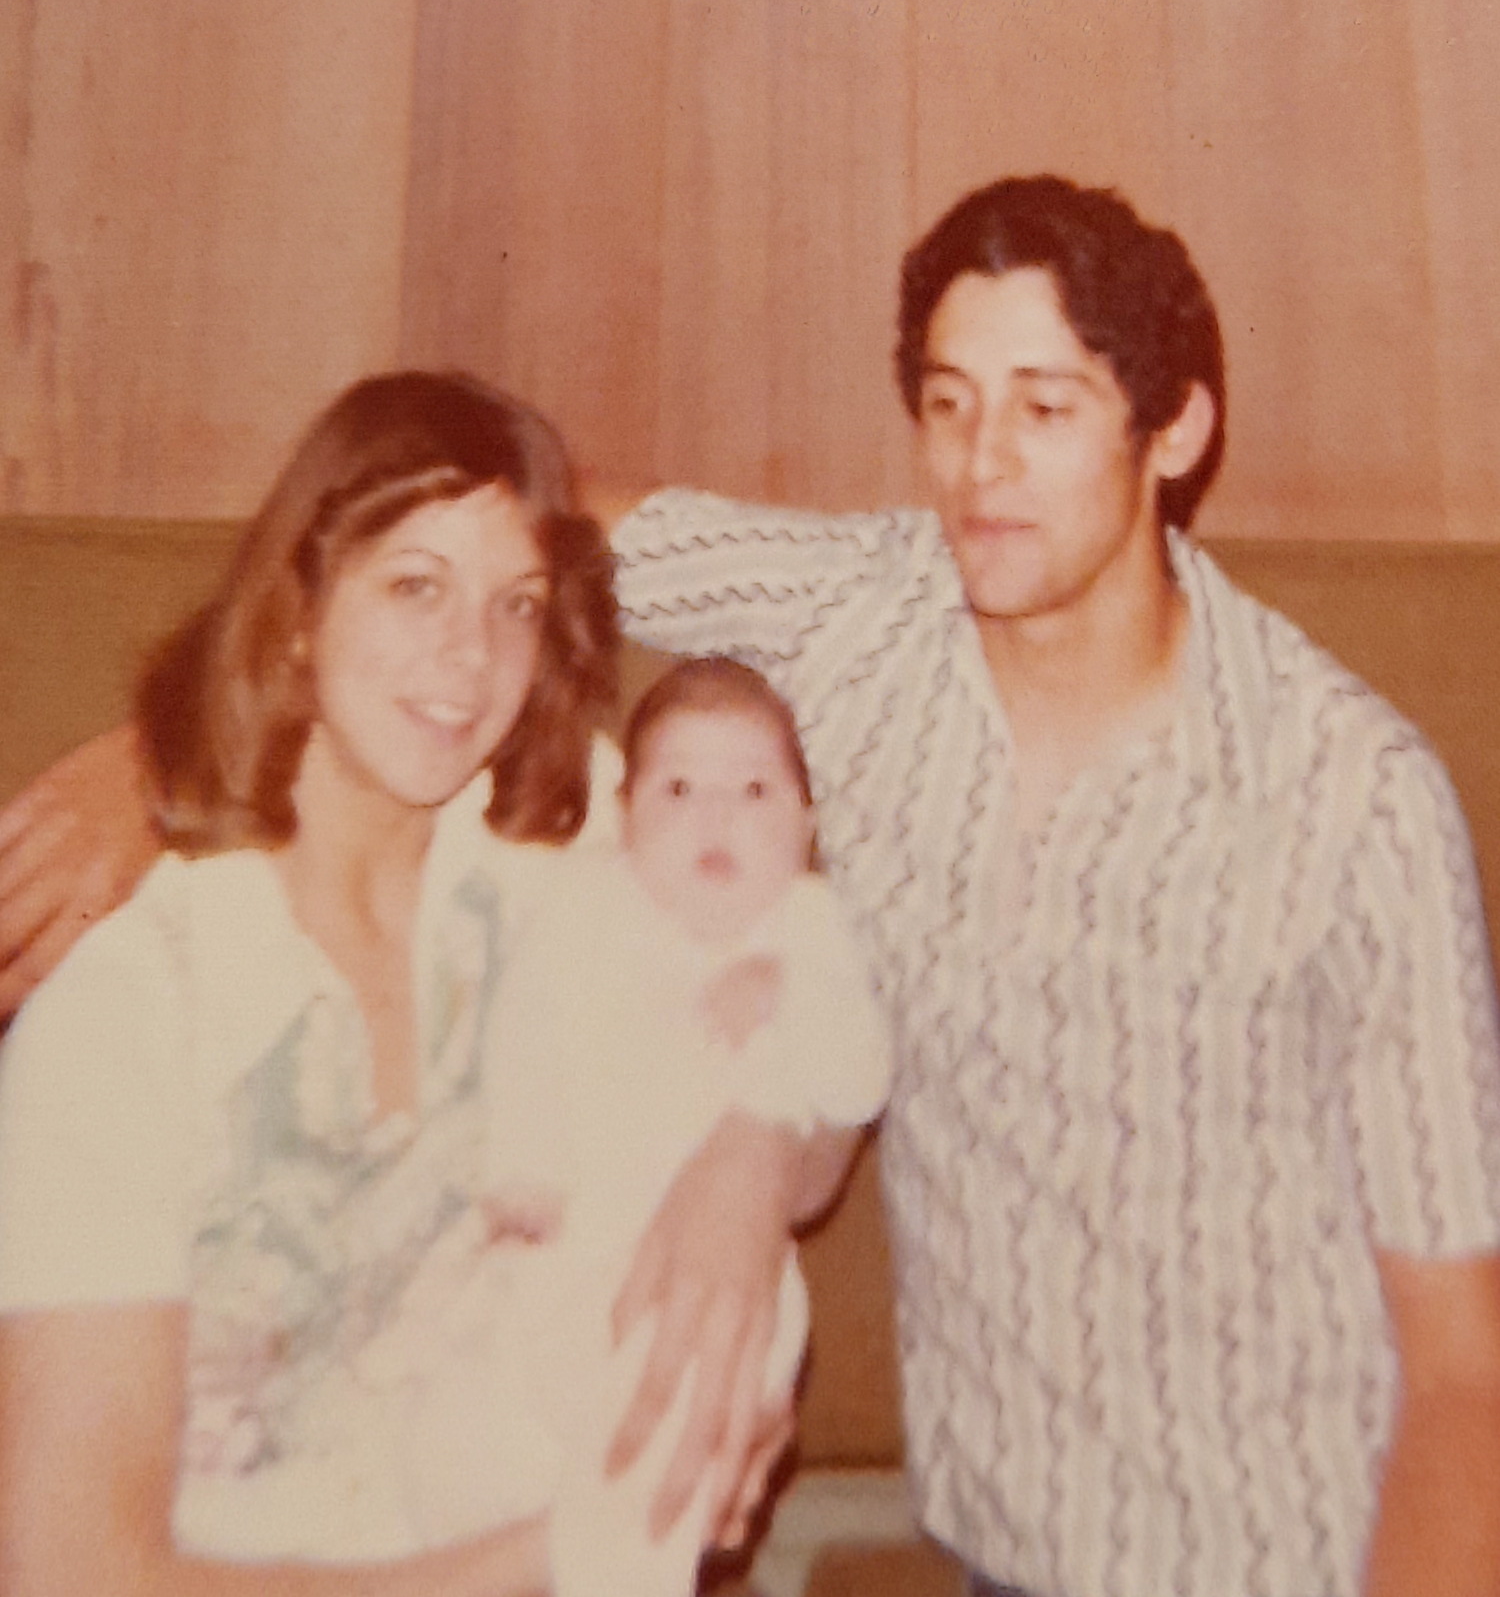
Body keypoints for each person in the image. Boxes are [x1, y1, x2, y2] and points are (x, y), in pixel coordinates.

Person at [8, 175, 1500, 1595]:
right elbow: (491, 509)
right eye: (948, 403)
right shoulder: (862, 623)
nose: (981, 464)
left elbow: (1465, 1372)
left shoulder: (1354, 802)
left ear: (1176, 430)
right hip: (1007, 1553)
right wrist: (182, 745)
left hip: (1305, 1552)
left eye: (1045, 409)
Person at [0, 373, 802, 1594]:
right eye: (415, 585)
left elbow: (799, 995)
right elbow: (72, 1569)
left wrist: (746, 1181)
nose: (470, 656)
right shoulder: (136, 1006)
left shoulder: (567, 845)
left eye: (515, 603)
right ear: (300, 610)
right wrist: (566, 1552)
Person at [402, 656, 890, 1597]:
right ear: (624, 817)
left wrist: (791, 1002)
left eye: (754, 791)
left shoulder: (809, 929)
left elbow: (860, 1078)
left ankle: (623, 1571)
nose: (716, 817)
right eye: (678, 789)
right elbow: (526, 1028)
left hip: (718, 1289)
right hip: (564, 1249)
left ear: (807, 825)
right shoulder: (588, 905)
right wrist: (525, 1164)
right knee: (461, 1427)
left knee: (672, 1448)